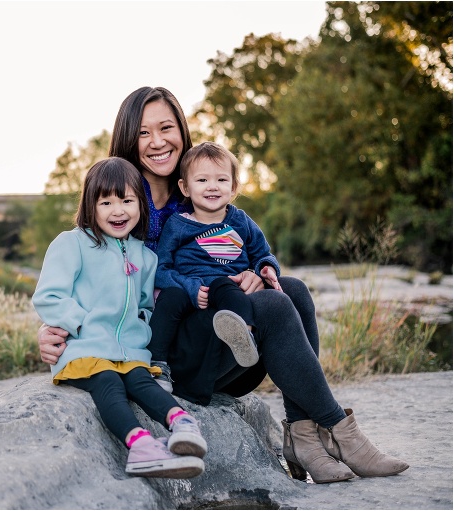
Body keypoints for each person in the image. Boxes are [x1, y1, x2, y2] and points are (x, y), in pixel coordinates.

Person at [38, 86, 409, 484]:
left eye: (166, 127)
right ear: (128, 138)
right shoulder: (120, 202)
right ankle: (338, 429)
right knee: (276, 307)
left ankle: (303, 433)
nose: (158, 141)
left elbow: (244, 248)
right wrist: (52, 329)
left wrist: (256, 274)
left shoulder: (201, 190)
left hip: (226, 343)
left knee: (291, 289)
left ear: (182, 130)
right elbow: (81, 273)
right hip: (165, 353)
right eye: (144, 133)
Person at [32, 156, 207, 479]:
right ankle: (139, 445)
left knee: (142, 380)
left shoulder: (144, 255)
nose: (118, 211)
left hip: (128, 352)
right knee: (107, 381)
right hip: (85, 349)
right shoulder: (72, 244)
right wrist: (81, 324)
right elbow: (49, 296)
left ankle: (182, 423)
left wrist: (140, 329)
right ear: (90, 206)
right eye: (106, 202)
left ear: (140, 205)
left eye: (127, 200)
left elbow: (145, 305)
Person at [149, 141, 283, 393]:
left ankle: (245, 334)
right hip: (190, 291)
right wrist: (190, 287)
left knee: (226, 285)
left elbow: (263, 254)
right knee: (169, 299)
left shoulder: (240, 221)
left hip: (227, 287)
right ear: (185, 187)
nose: (212, 186)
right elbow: (161, 269)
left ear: (233, 187)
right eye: (202, 181)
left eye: (221, 180)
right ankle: (157, 364)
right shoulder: (178, 225)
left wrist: (265, 269)